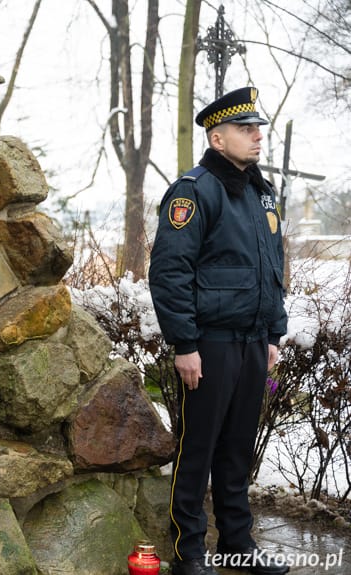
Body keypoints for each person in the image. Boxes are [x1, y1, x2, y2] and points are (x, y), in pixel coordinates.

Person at [149, 87, 289, 575]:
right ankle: (189, 552)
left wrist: (274, 332)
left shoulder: (259, 191)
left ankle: (238, 545)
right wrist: (184, 344)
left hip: (253, 342)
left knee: (236, 450)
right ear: (217, 136)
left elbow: (273, 265)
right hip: (208, 345)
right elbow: (170, 271)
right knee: (198, 449)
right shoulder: (193, 190)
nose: (256, 137)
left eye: (258, 129)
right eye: (246, 129)